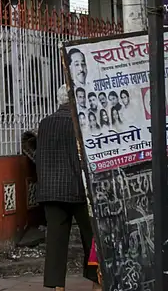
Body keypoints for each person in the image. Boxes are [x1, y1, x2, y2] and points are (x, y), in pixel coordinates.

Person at [37, 85, 98, 291]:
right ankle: (97, 281)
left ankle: (57, 288)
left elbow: (41, 157)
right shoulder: (79, 123)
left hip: (51, 190)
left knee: (55, 242)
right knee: (92, 239)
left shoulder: (44, 123)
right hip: (78, 190)